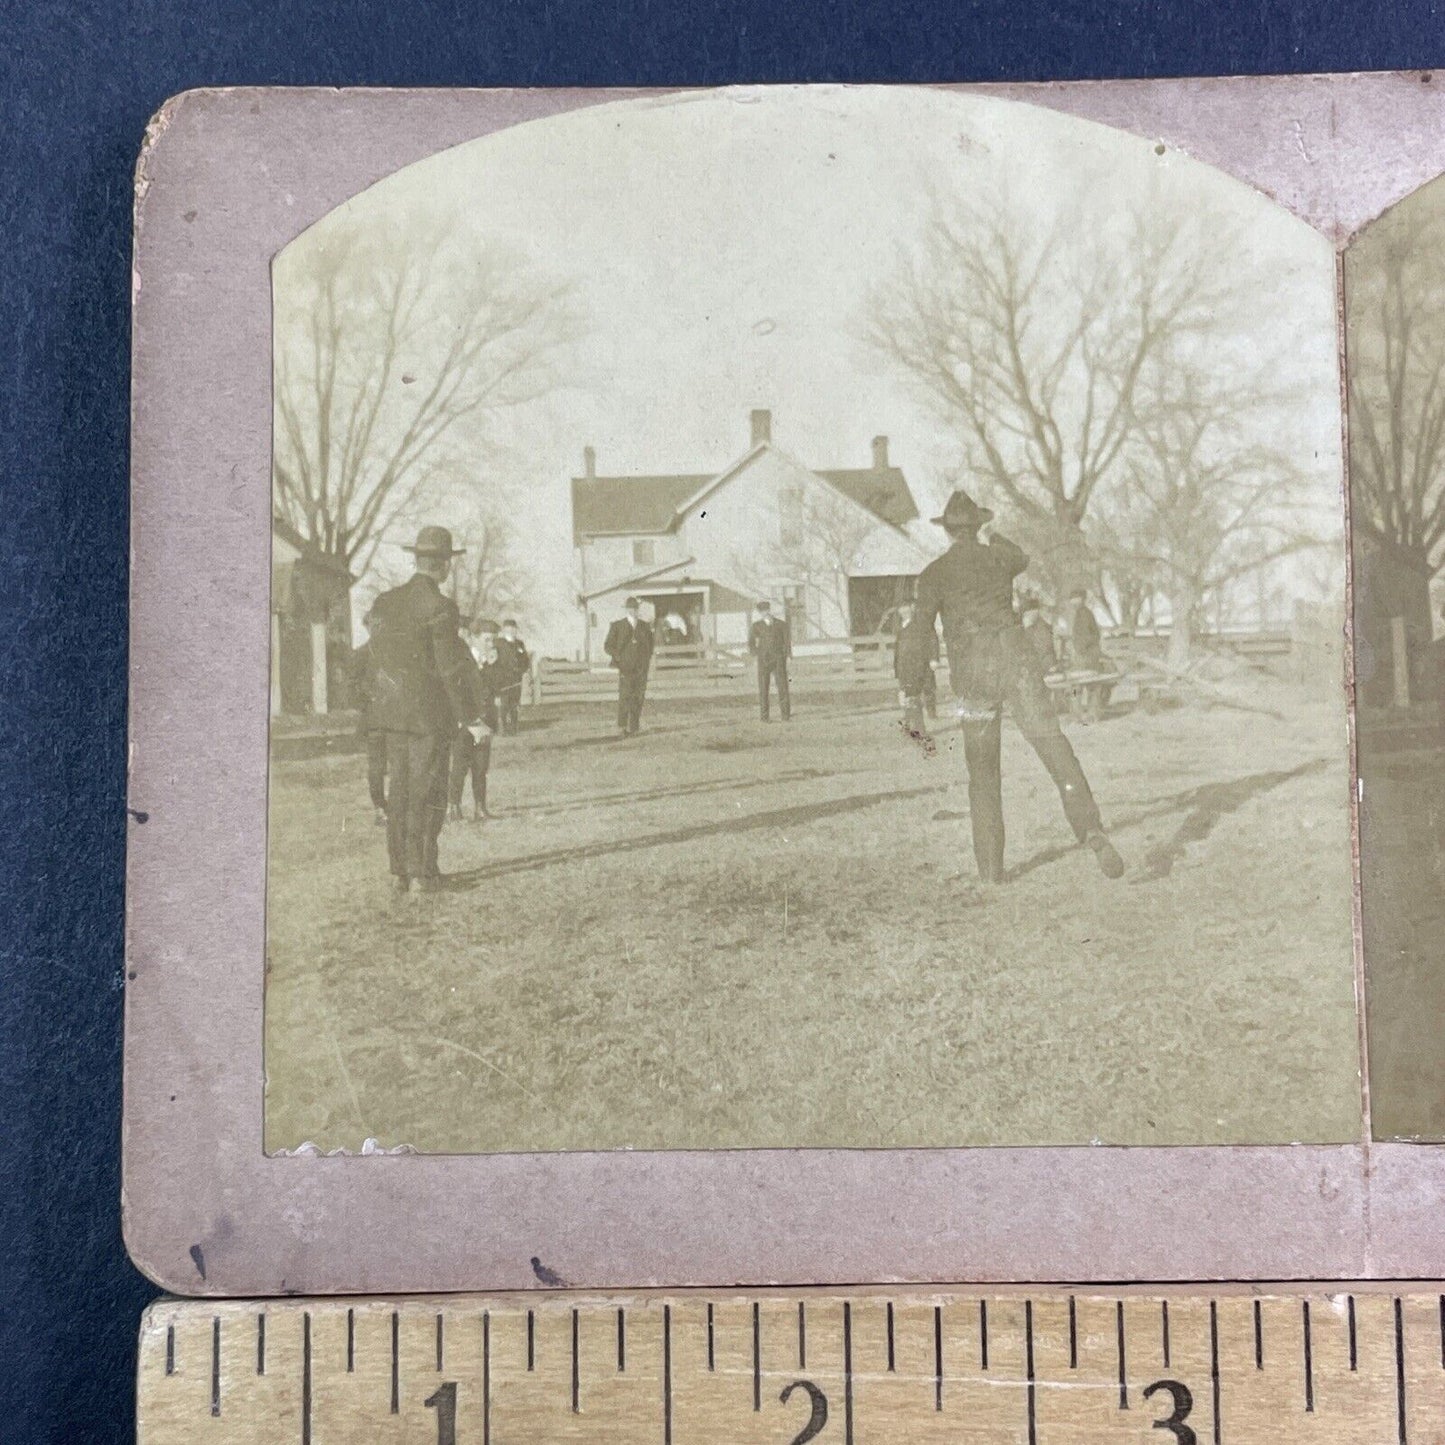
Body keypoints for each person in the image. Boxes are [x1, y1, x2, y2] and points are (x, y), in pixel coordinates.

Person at [914, 491, 1125, 884]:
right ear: (976, 526)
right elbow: (1019, 556)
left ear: (947, 531)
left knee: (983, 771)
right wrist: (991, 533)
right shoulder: (999, 558)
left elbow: (917, 633)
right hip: (1018, 662)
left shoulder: (935, 573)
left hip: (974, 672)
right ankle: (1091, 830)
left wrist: (911, 691)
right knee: (1053, 744)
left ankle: (991, 870)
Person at [365, 525, 481, 893]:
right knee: (428, 790)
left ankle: (401, 871)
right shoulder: (442, 607)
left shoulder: (385, 602)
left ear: (416, 560)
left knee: (398, 789)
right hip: (429, 716)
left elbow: (376, 655)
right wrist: (469, 716)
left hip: (391, 713)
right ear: (445, 566)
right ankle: (423, 872)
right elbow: (449, 668)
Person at [449, 630, 500, 822]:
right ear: (474, 639)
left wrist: (493, 667)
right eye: (486, 639)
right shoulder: (462, 661)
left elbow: (494, 690)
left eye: (493, 640)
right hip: (465, 723)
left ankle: (480, 808)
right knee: (459, 766)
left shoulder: (489, 664)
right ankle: (453, 807)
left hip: (484, 722)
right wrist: (470, 723)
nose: (490, 643)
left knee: (481, 767)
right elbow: (456, 693)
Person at [350, 632, 388, 826]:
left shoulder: (395, 651)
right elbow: (353, 687)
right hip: (374, 721)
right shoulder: (362, 653)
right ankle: (380, 808)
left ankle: (397, 807)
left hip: (397, 718)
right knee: (377, 766)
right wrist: (370, 701)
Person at [1062, 586, 1113, 721]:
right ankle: (1091, 714)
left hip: (1086, 657)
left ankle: (1079, 715)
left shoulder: (1083, 614)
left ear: (1082, 600)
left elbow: (1086, 637)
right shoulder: (1083, 613)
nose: (1073, 602)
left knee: (1078, 685)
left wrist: (1079, 650)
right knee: (1091, 686)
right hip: (1089, 655)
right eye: (1072, 599)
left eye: (1075, 599)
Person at [604, 596, 654, 735]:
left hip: (641, 669)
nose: (633, 611)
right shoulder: (618, 626)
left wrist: (645, 661)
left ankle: (634, 727)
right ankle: (622, 727)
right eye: (630, 608)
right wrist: (618, 657)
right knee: (625, 696)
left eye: (635, 608)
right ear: (626, 609)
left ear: (638, 609)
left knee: (638, 696)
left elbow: (650, 646)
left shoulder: (644, 626)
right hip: (625, 668)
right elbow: (608, 646)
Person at [893, 598, 938, 737]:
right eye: (901, 608)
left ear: (912, 607)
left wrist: (934, 658)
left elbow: (932, 638)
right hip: (904, 667)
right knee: (906, 697)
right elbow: (898, 649)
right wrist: (896, 667)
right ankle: (909, 727)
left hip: (917, 666)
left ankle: (920, 730)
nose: (903, 611)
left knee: (913, 697)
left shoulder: (921, 623)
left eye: (906, 607)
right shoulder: (900, 626)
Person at [749, 599, 792, 722]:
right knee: (763, 688)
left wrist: (787, 656)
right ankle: (764, 717)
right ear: (759, 613)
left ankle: (785, 715)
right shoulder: (756, 626)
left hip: (778, 659)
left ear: (769, 610)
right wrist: (757, 653)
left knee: (782, 686)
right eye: (762, 611)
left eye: (766, 610)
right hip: (763, 660)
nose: (765, 613)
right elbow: (751, 643)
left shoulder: (781, 624)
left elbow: (787, 642)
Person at [492, 618, 530, 736]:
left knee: (514, 705)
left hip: (516, 680)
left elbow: (525, 660)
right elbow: (493, 661)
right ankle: (503, 728)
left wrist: (521, 670)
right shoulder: (498, 643)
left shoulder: (519, 644)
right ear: (504, 630)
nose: (511, 631)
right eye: (508, 629)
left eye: (513, 629)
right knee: (504, 705)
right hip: (503, 680)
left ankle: (513, 728)